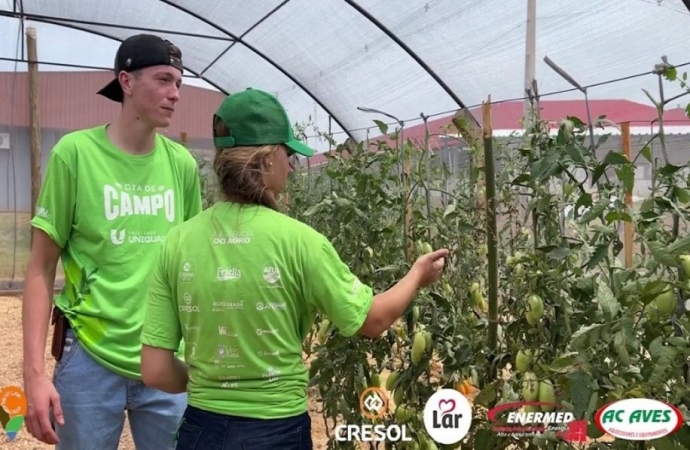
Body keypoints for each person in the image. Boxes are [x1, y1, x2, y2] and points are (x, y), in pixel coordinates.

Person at [139, 87, 449, 449]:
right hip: (275, 431)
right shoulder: (300, 241)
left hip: (201, 430)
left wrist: (213, 383)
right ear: (267, 159)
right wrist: (417, 276)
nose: (291, 164)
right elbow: (372, 320)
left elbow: (156, 370)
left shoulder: (177, 243)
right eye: (288, 154)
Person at [21, 33, 203, 449]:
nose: (175, 94)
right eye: (163, 80)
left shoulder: (182, 166)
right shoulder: (76, 154)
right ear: (125, 81)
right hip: (89, 357)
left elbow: (193, 267)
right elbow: (40, 266)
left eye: (179, 83)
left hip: (165, 359)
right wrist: (33, 375)